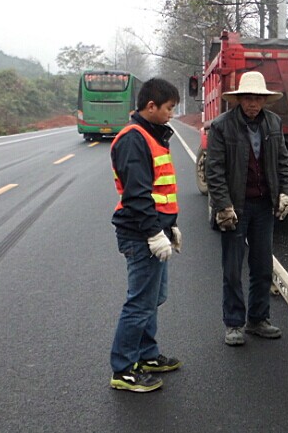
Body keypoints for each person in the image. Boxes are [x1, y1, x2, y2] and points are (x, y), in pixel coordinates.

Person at [206, 71, 288, 346]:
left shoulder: (273, 123)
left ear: (264, 100)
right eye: (247, 98)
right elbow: (214, 170)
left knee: (262, 266)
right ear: (239, 99)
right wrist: (223, 205)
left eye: (257, 98)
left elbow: (283, 161)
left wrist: (286, 192)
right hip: (235, 207)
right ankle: (234, 323)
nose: (253, 103)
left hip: (264, 205)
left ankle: (258, 319)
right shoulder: (222, 126)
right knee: (232, 268)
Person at [109, 77, 182, 393]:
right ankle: (124, 369)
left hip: (154, 228)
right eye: (168, 108)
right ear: (151, 106)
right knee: (140, 303)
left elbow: (159, 190)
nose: (171, 115)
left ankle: (147, 355)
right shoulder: (134, 140)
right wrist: (154, 233)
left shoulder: (152, 135)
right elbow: (137, 195)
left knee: (155, 297)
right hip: (140, 234)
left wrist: (170, 225)